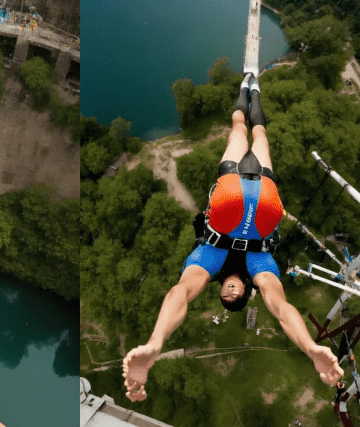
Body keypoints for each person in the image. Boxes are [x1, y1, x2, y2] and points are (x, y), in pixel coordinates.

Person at [122, 74, 344, 401]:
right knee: (261, 132)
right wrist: (309, 347)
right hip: (263, 197)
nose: (228, 293)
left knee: (238, 127)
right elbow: (280, 308)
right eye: (233, 297)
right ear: (243, 293)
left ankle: (244, 91)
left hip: (231, 196)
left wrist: (157, 342)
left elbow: (180, 293)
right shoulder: (260, 268)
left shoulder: (208, 263)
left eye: (223, 296)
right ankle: (256, 91)